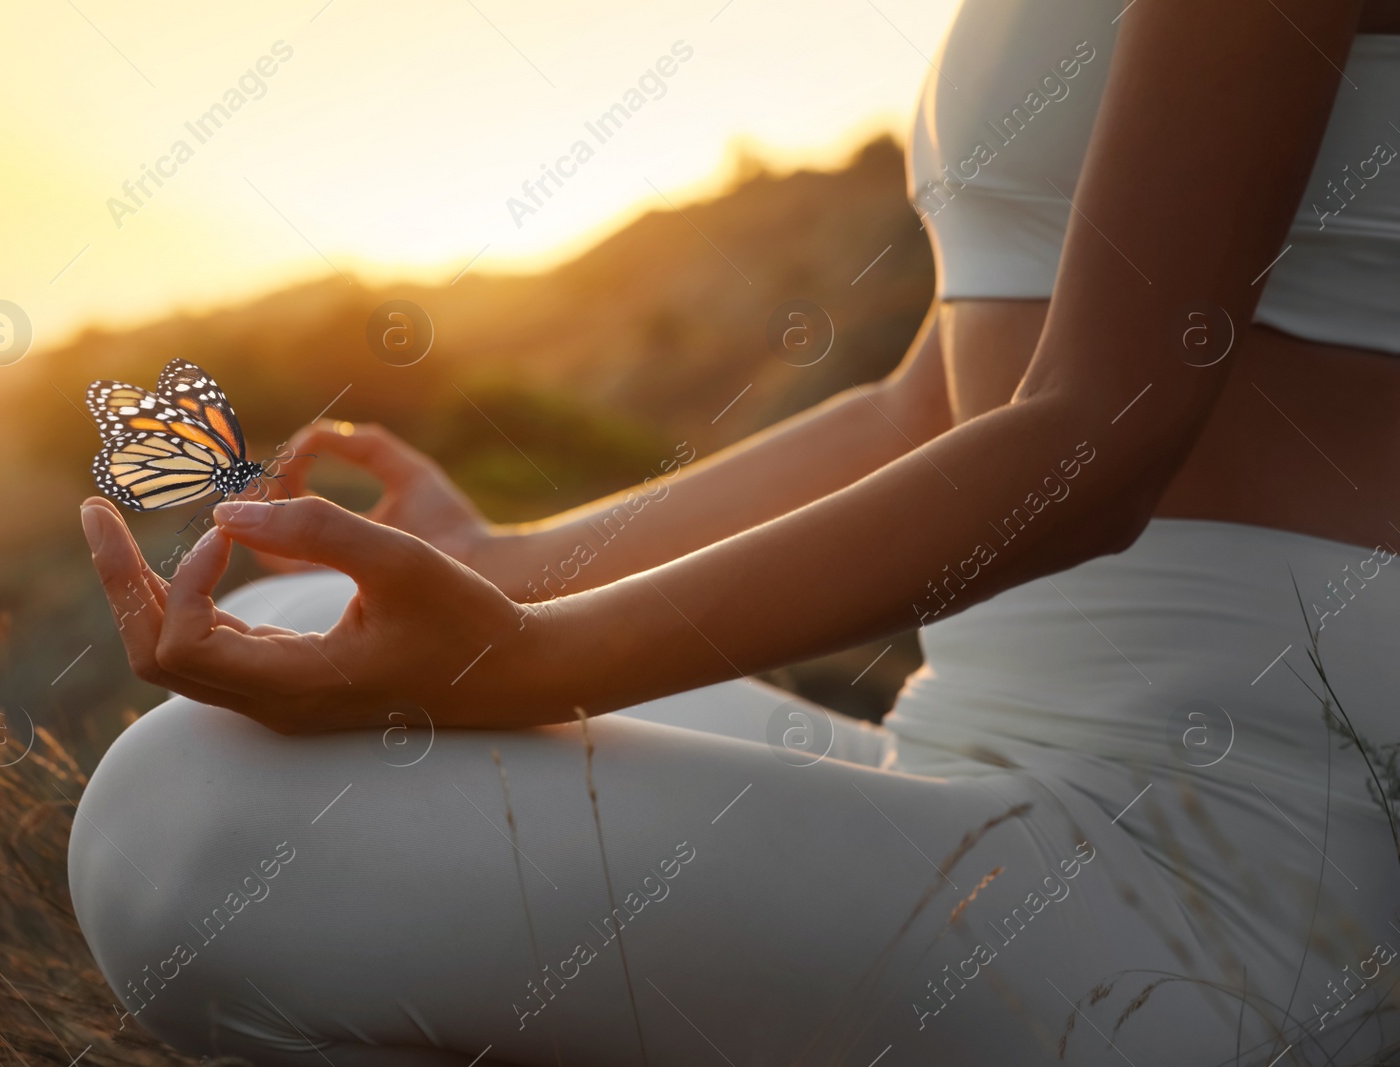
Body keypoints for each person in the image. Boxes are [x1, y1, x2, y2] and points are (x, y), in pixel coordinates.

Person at [69, 0, 1400, 1062]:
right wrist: (514, 566)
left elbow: (1098, 439)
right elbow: (924, 404)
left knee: (180, 823)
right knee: (297, 643)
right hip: (973, 754)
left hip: (1226, 861)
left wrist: (527, 656)